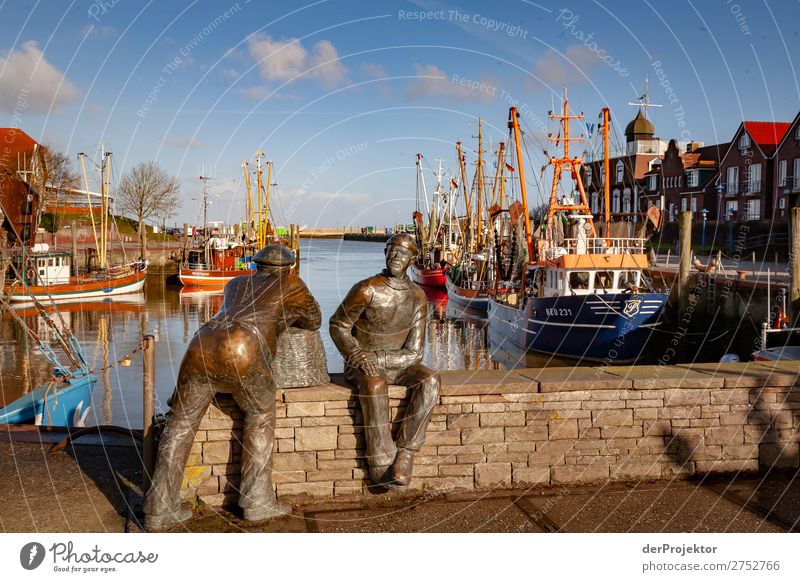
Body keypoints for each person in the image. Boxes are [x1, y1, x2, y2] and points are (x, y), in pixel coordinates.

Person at [144, 244, 321, 529]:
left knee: (180, 423)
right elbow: (314, 321)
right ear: (288, 267)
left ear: (257, 264)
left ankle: (158, 508)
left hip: (201, 344)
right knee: (261, 416)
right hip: (243, 348)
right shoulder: (293, 284)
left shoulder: (235, 282)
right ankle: (256, 500)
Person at [329, 233, 440, 491]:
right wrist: (356, 355)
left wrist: (379, 357)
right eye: (391, 251)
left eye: (402, 254)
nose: (395, 257)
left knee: (431, 381)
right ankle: (379, 465)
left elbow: (415, 352)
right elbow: (338, 325)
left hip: (397, 362)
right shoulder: (366, 289)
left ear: (412, 260)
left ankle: (405, 454)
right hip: (362, 364)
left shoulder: (418, 297)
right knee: (376, 382)